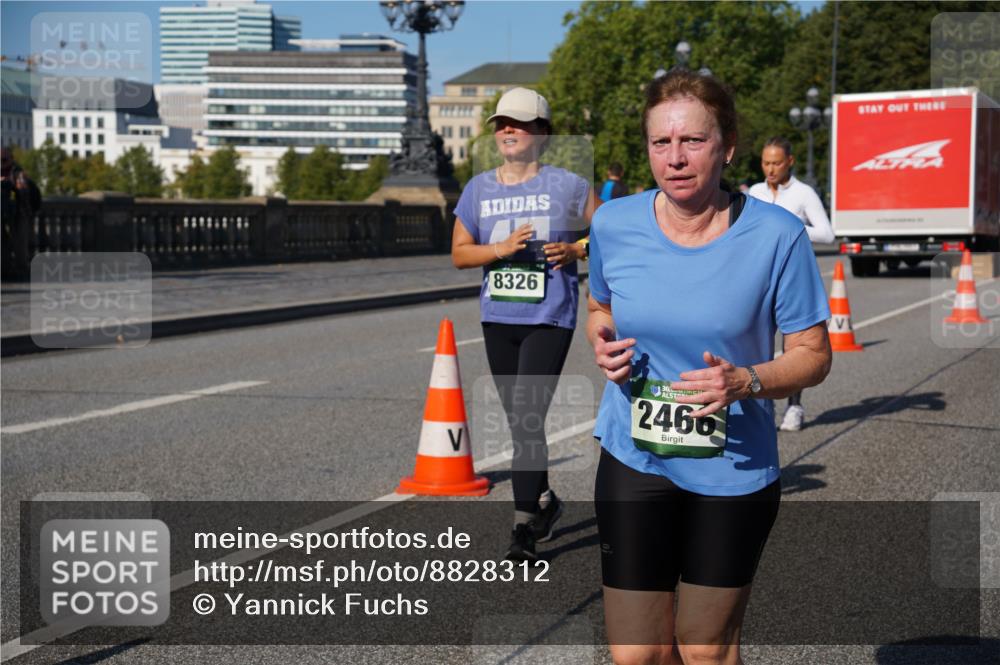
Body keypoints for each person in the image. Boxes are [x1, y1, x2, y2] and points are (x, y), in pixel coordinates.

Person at [586, 70, 832, 664]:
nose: (675, 158)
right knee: (637, 655)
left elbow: (813, 354)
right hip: (634, 455)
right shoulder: (613, 224)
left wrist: (745, 381)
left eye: (693, 141)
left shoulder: (777, 236)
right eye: (661, 142)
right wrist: (602, 341)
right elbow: (600, 307)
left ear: (728, 147)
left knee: (704, 649)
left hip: (732, 468)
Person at [451, 87, 601, 563]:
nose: (507, 130)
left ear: (542, 133)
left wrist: (577, 249)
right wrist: (500, 249)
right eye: (501, 124)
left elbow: (610, 233)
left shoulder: (568, 185)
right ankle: (546, 502)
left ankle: (523, 529)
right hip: (498, 318)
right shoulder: (478, 188)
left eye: (517, 123)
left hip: (548, 317)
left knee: (527, 417)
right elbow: (459, 253)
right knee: (520, 422)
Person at [749, 137, 835, 432]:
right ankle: (758, 402)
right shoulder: (756, 191)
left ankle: (794, 406)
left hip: (791, 276)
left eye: (776, 163)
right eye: (766, 163)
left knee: (795, 347)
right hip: (757, 274)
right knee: (755, 342)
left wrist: (786, 228)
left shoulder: (803, 193)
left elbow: (826, 234)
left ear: (790, 162)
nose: (770, 169)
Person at [1, 147, 41, 280]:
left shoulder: (18, 173)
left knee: (20, 245)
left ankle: (22, 273)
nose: (1, 163)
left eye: (4, 160)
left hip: (18, 214)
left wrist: (9, 184)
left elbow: (23, 192)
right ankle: (5, 271)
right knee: (3, 245)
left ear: (11, 159)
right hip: (3, 214)